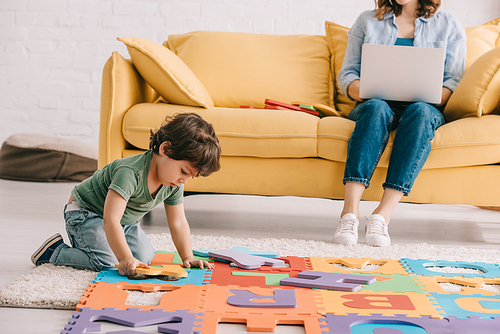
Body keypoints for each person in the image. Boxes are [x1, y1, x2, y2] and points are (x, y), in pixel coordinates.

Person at [333, 0, 466, 246]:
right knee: (375, 107)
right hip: (374, 103)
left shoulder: (449, 26)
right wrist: (367, 88)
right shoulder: (367, 20)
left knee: (421, 113)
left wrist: (432, 94)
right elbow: (348, 74)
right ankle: (349, 213)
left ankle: (382, 216)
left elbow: (453, 82)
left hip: (423, 108)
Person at [31, 113, 221, 276]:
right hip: (85, 213)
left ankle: (108, 249)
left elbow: (178, 222)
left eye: (191, 177)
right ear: (165, 149)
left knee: (145, 258)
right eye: (184, 171)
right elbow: (110, 220)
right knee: (109, 262)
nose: (184, 181)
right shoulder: (130, 173)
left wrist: (187, 256)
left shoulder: (173, 182)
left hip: (124, 221)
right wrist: (124, 258)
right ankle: (54, 251)